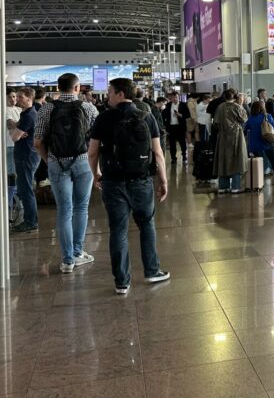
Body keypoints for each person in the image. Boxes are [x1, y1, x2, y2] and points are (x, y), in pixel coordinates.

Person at [88, 77, 170, 294]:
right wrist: (163, 179)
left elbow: (93, 151)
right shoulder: (147, 116)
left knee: (118, 231)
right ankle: (152, 271)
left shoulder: (104, 118)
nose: (107, 96)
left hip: (113, 182)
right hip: (141, 180)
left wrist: (96, 173)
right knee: (147, 225)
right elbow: (158, 152)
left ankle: (122, 282)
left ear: (121, 94)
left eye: (110, 92)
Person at [33, 72, 98, 273]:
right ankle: (78, 253)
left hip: (56, 163)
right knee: (81, 208)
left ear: (58, 88)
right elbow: (97, 142)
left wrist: (50, 160)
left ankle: (67, 260)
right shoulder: (88, 108)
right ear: (77, 88)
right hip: (82, 162)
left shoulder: (47, 109)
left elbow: (37, 142)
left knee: (64, 210)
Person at [10, 87, 40, 234]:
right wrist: (18, 130)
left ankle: (30, 221)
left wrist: (16, 130)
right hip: (29, 155)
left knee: (26, 189)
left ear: (29, 98)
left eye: (21, 97)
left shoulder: (28, 116)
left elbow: (14, 137)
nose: (17, 99)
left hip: (26, 156)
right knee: (25, 188)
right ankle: (30, 219)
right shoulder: (30, 114)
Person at [245, 100, 274, 185]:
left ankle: (259, 181)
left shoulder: (250, 118)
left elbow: (245, 130)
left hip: (254, 144)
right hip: (266, 142)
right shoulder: (267, 116)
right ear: (262, 107)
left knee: (258, 163)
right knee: (273, 161)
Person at [214, 90, 248, 193]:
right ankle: (235, 186)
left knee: (223, 159)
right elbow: (244, 119)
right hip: (236, 135)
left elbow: (216, 122)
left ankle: (223, 187)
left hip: (223, 136)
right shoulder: (237, 107)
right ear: (236, 97)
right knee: (237, 159)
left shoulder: (220, 107)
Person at [161, 91, 189, 166]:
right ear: (171, 98)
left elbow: (188, 115)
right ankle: (173, 158)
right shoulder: (168, 105)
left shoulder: (183, 105)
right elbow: (163, 115)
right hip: (171, 127)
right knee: (172, 144)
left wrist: (180, 115)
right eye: (173, 97)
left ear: (178, 97)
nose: (174, 99)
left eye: (176, 97)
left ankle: (184, 157)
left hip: (180, 127)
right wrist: (165, 124)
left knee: (182, 143)